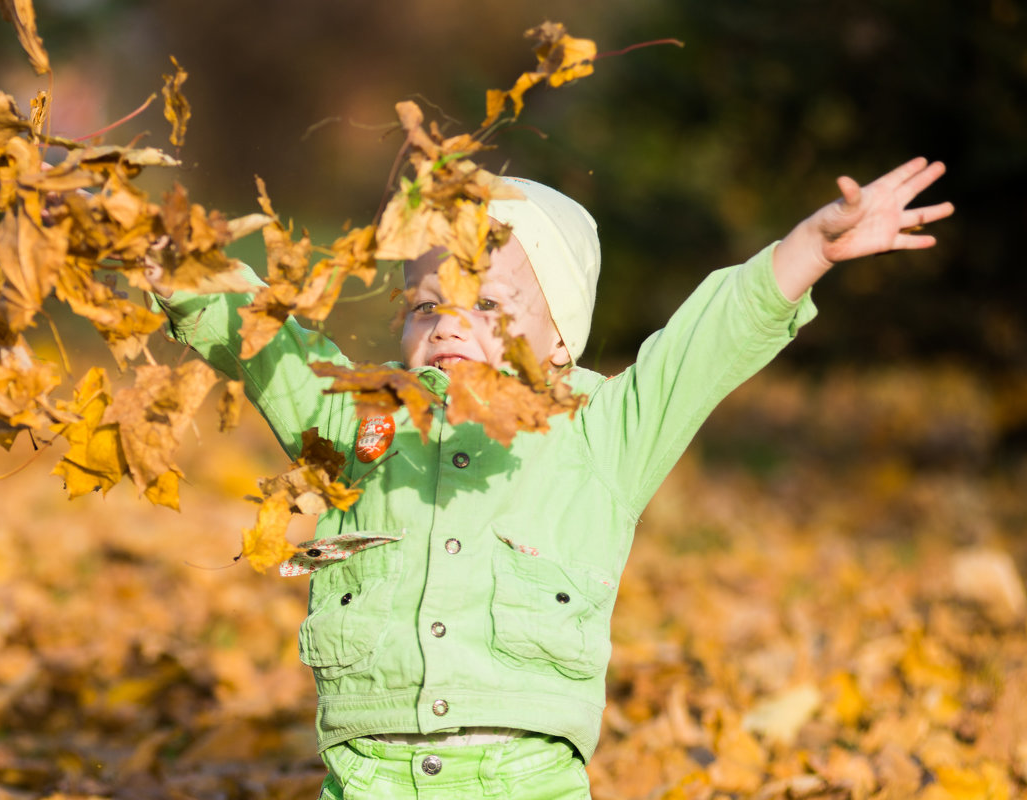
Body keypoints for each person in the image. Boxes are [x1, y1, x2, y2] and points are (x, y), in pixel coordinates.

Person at [151, 158, 952, 799]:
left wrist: (810, 247)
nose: (450, 321)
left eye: (488, 304)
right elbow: (265, 342)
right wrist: (169, 262)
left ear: (562, 338)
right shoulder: (360, 421)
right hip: (368, 780)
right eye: (426, 305)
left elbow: (705, 346)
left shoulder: (604, 431)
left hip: (523, 780)